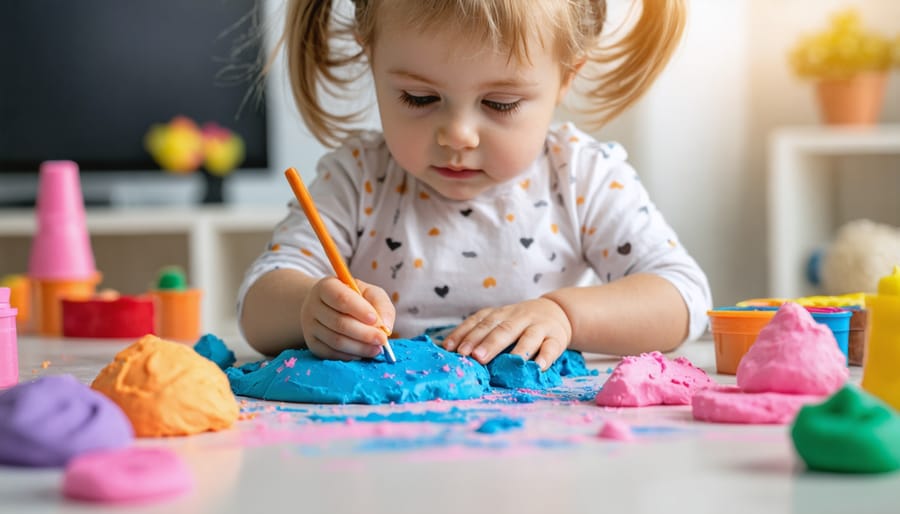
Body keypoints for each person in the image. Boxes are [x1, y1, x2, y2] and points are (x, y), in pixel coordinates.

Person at [238, 0, 712, 371]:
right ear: (371, 56)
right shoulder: (358, 177)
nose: (457, 135)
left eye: (500, 103)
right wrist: (309, 308)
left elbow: (682, 297)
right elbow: (257, 301)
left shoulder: (580, 176)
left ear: (566, 77)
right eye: (419, 98)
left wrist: (565, 316)